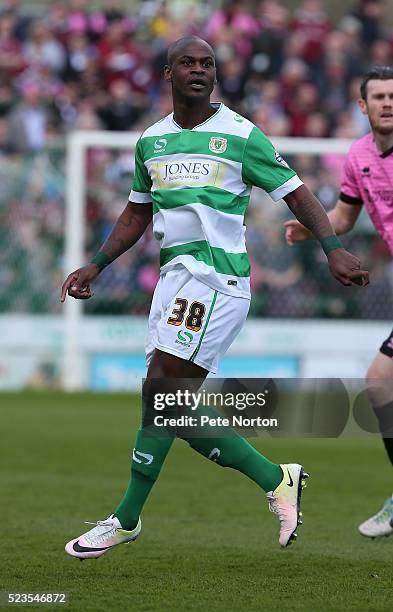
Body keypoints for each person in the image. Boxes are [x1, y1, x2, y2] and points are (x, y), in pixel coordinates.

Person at [61, 36, 368, 559]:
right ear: (168, 74)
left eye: (207, 63)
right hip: (173, 281)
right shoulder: (151, 141)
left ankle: (126, 519)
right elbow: (137, 212)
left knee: (161, 396)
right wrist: (98, 262)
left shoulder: (242, 135)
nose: (199, 71)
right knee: (172, 410)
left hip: (217, 279)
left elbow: (296, 191)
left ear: (215, 74)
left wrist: (332, 248)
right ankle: (276, 478)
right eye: (187, 63)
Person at [285, 66, 393, 538]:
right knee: (380, 383)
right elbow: (347, 215)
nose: (389, 103)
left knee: (380, 380)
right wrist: (315, 228)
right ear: (362, 105)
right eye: (380, 97)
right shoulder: (358, 156)